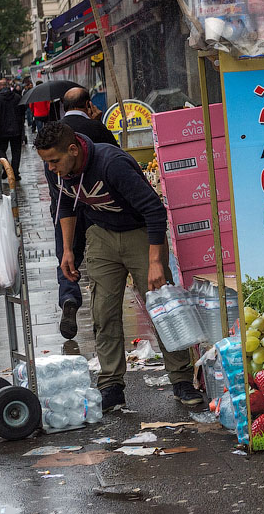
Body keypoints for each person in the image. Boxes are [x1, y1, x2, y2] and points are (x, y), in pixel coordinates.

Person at [35, 121, 203, 410]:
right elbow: (63, 205)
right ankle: (111, 384)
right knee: (104, 310)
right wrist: (67, 251)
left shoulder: (112, 164)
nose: (51, 168)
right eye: (47, 162)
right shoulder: (58, 171)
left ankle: (181, 378)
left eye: (54, 161)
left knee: (161, 306)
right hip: (101, 233)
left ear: (73, 149)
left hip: (140, 233)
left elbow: (154, 210)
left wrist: (154, 262)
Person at [50, 87, 116, 339]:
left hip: (64, 207)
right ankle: (103, 304)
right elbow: (114, 156)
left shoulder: (55, 133)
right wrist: (97, 122)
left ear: (63, 106)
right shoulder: (97, 128)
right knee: (104, 257)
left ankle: (68, 298)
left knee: (68, 257)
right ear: (89, 104)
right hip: (99, 205)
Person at [0, 79, 26, 180]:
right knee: (16, 152)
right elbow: (22, 111)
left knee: (0, 150)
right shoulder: (17, 97)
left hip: (2, 131)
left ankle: (7, 169)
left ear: (0, 87)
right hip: (16, 129)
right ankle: (14, 172)